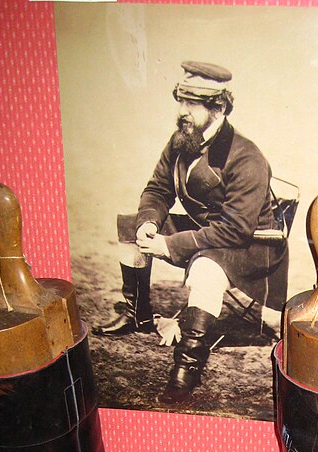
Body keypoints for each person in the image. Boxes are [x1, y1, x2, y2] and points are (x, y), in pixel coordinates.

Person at [94, 60, 290, 404]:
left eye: (191, 103)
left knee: (205, 268)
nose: (181, 111)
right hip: (213, 231)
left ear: (219, 106)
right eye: (180, 100)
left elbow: (235, 229)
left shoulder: (247, 157)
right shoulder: (183, 139)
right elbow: (156, 189)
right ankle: (135, 311)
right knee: (130, 227)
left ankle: (187, 366)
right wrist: (149, 224)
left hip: (254, 245)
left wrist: (171, 245)